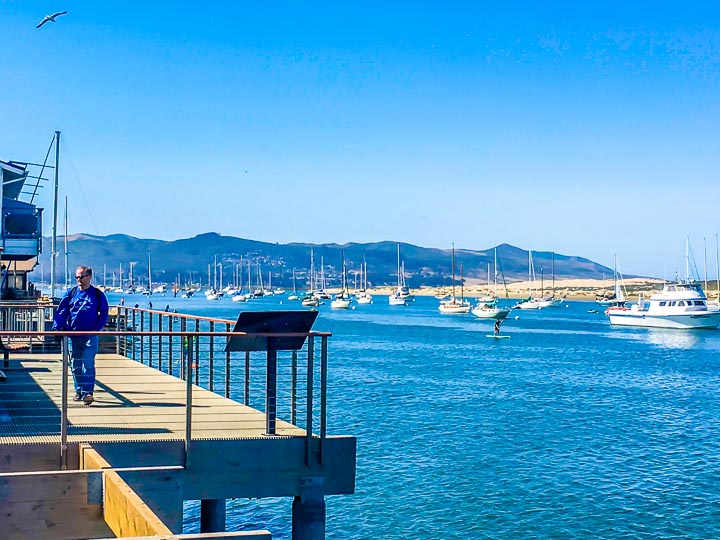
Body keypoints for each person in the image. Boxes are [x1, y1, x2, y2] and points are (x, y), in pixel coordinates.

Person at [52, 266, 109, 406]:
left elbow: (104, 313)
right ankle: (79, 390)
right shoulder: (71, 293)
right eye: (76, 277)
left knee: (87, 362)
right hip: (73, 334)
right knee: (75, 363)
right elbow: (62, 311)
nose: (79, 280)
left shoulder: (97, 294)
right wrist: (57, 327)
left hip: (90, 334)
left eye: (81, 277)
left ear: (89, 276)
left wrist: (96, 329)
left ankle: (88, 392)